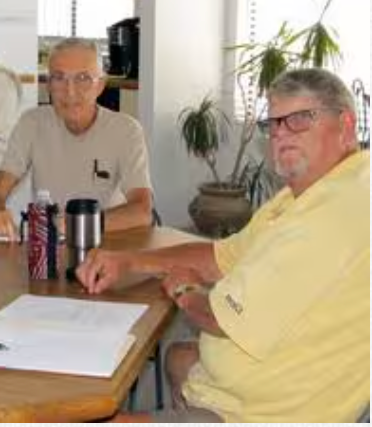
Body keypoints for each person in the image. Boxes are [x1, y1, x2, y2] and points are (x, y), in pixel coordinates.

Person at [77, 68, 369, 423]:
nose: (281, 134)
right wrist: (129, 261)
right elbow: (219, 257)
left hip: (262, 414)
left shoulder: (331, 213)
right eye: (274, 123)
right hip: (260, 381)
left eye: (300, 119)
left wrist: (185, 289)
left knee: (95, 414)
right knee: (178, 355)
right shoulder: (310, 193)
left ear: (346, 124)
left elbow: (219, 319)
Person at [0, 38, 153, 239]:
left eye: (83, 78)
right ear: (48, 85)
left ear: (101, 85)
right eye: (59, 78)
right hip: (49, 253)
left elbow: (142, 211)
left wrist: (77, 224)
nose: (70, 91)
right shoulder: (32, 123)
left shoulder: (126, 130)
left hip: (108, 246)